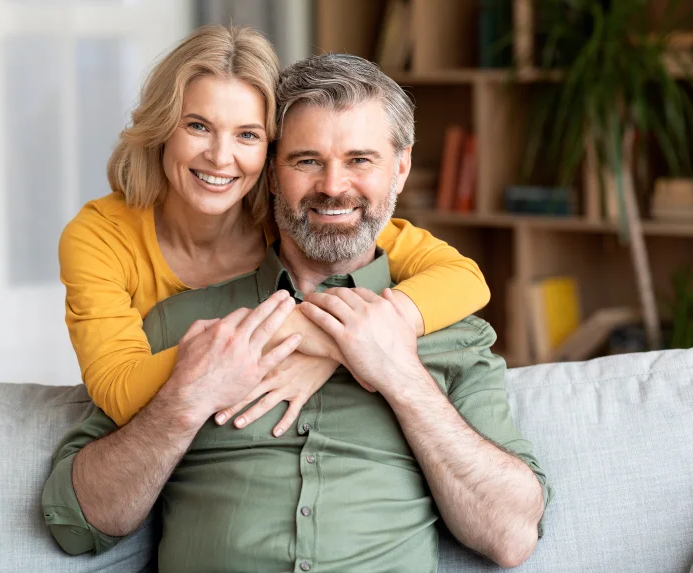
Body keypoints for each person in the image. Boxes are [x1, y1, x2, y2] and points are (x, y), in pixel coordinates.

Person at [43, 53, 551, 572]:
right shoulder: (180, 329)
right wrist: (187, 398)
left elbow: (511, 536)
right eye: (307, 160)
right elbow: (76, 523)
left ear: (400, 168)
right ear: (270, 174)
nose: (333, 187)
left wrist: (400, 375)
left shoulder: (449, 329)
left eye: (360, 160)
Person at [60, 25, 492, 437]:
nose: (219, 157)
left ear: (269, 155)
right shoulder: (100, 237)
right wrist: (302, 336)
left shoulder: (291, 211)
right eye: (197, 126)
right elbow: (119, 390)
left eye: (247, 135)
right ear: (161, 128)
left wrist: (333, 354)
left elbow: (463, 279)